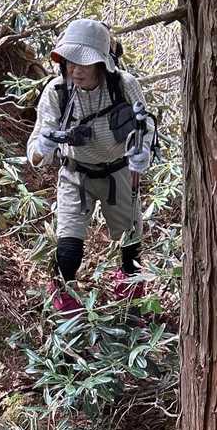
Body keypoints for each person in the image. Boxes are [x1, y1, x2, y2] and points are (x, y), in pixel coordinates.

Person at [27, 18, 156, 312]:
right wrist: (43, 147)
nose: (76, 70)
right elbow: (35, 154)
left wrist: (142, 153)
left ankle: (129, 303)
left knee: (130, 245)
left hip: (118, 172)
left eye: (84, 62)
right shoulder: (57, 91)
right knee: (68, 250)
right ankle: (65, 304)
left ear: (101, 63)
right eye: (70, 61)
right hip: (75, 175)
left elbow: (145, 128)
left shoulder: (124, 85)